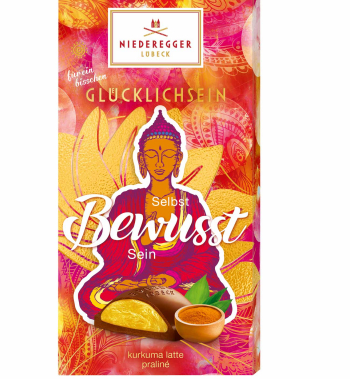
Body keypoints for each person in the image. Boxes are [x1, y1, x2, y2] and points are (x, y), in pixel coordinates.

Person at [76, 109, 233, 321]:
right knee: (92, 296)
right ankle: (161, 316)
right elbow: (107, 248)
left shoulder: (191, 202)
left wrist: (172, 277)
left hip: (177, 284)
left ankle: (143, 315)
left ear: (178, 159)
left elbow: (207, 255)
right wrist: (139, 243)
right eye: (152, 154)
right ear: (141, 159)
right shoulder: (126, 200)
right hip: (133, 281)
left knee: (213, 300)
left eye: (167, 154)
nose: (159, 162)